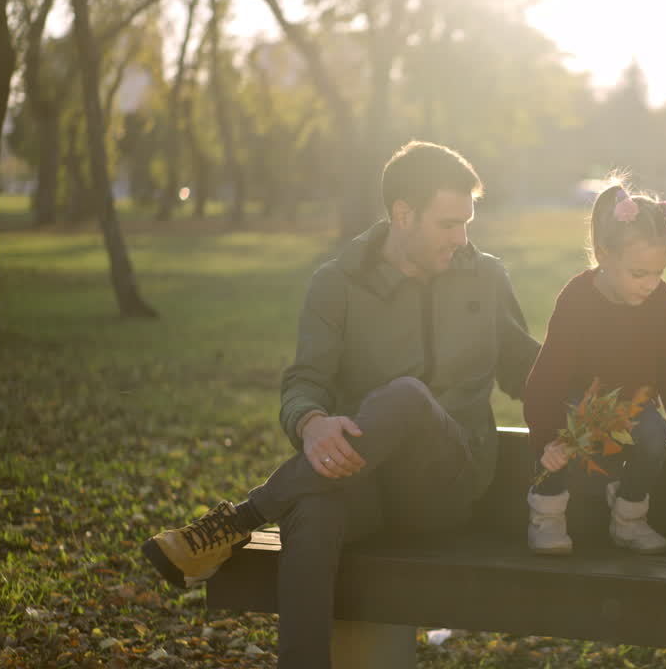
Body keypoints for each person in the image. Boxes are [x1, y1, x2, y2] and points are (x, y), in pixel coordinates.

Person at [141, 141, 541, 669]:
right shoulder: (337, 285)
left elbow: (526, 372)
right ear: (403, 215)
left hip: (447, 484)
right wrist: (311, 423)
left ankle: (241, 518)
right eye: (448, 223)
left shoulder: (485, 277)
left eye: (466, 222)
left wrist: (594, 388)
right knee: (313, 507)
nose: (461, 238)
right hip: (362, 483)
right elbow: (304, 382)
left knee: (407, 397)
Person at [522, 181, 666, 555]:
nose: (651, 284)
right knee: (567, 430)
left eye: (659, 272)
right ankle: (546, 516)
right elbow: (549, 374)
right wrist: (546, 436)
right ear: (605, 256)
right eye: (639, 274)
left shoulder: (661, 301)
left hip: (632, 404)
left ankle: (628, 519)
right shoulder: (578, 298)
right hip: (577, 400)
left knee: (655, 432)